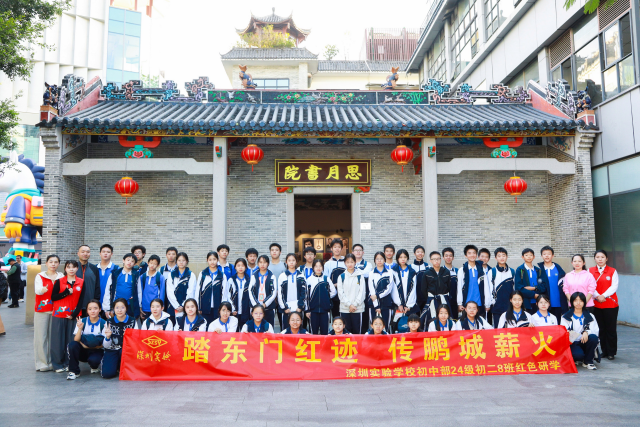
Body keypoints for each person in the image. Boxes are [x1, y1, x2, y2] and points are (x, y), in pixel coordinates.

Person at [50, 260, 85, 373]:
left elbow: (81, 300)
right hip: (59, 314)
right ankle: (57, 364)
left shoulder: (81, 282)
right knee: (57, 340)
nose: (71, 269)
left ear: (77, 269)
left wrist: (74, 314)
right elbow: (53, 297)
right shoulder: (59, 281)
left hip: (74, 315)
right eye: (68, 267)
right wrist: (65, 292)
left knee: (72, 341)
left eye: (73, 267)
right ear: (65, 269)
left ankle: (69, 363)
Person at [33, 254, 63, 371]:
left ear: (58, 264)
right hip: (42, 310)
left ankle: (51, 362)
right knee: (41, 337)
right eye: (51, 262)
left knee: (53, 338)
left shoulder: (61, 276)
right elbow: (37, 290)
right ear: (46, 263)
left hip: (57, 311)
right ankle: (42, 363)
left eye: (55, 262)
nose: (53, 264)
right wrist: (42, 289)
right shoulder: (40, 276)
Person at [590, 249, 619, 360]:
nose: (600, 259)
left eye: (602, 257)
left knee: (610, 329)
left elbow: (614, 286)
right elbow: (590, 285)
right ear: (594, 259)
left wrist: (603, 296)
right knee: (601, 329)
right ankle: (604, 351)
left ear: (606, 258)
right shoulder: (590, 271)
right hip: (596, 304)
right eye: (598, 257)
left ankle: (611, 352)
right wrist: (597, 296)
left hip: (610, 304)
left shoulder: (612, 271)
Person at [67, 300, 105, 380]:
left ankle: (94, 366)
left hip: (96, 350)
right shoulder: (82, 321)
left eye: (95, 308)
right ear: (87, 311)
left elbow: (105, 344)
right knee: (72, 345)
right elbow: (76, 340)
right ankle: (73, 371)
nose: (92, 311)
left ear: (100, 309)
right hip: (83, 351)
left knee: (94, 360)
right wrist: (80, 329)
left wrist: (88, 346)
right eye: (90, 309)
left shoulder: (104, 323)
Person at [561, 292, 600, 370]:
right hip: (573, 342)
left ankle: (588, 361)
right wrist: (576, 335)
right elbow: (564, 332)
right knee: (578, 355)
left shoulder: (590, 316)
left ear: (584, 302)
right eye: (575, 300)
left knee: (593, 338)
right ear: (572, 302)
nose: (578, 303)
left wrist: (586, 332)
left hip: (585, 341)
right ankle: (578, 357)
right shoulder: (565, 317)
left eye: (581, 301)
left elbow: (596, 331)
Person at [101, 298, 136, 379]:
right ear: (113, 309)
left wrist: (128, 337)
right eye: (117, 307)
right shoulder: (109, 322)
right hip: (112, 349)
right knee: (107, 374)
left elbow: (136, 342)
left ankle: (121, 365)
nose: (119, 310)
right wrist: (108, 337)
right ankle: (115, 365)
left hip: (127, 350)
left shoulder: (133, 321)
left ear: (126, 308)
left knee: (122, 352)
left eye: (122, 307)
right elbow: (105, 345)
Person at [102, 254, 140, 320]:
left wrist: (138, 307)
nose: (129, 262)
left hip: (130, 306)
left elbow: (139, 292)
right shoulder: (115, 274)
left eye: (132, 261)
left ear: (134, 264)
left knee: (129, 323)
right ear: (123, 261)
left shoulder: (136, 275)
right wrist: (107, 308)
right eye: (128, 260)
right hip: (116, 304)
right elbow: (107, 290)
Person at [421, 250, 452, 330]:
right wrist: (430, 298)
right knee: (431, 318)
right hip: (432, 299)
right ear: (430, 261)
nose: (436, 261)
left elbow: (449, 286)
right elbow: (423, 289)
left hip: (444, 299)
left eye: (438, 259)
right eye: (434, 259)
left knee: (446, 317)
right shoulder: (427, 273)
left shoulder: (446, 272)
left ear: (441, 259)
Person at [336, 254, 366, 335]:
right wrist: (349, 305)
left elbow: (362, 292)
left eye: (352, 262)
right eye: (348, 262)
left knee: (357, 332)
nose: (350, 264)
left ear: (355, 262)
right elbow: (340, 293)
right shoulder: (341, 277)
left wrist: (354, 305)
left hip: (357, 309)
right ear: (345, 263)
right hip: (345, 309)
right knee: (345, 333)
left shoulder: (360, 276)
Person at [195, 251, 228, 324]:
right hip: (204, 308)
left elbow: (224, 293)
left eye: (214, 259)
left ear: (217, 260)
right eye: (210, 260)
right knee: (205, 326)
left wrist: (223, 308)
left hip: (217, 308)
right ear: (207, 260)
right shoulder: (203, 274)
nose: (212, 262)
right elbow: (198, 291)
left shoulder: (222, 275)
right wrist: (198, 307)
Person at [486, 247, 515, 329]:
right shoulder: (492, 272)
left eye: (503, 255)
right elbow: (489, 289)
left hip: (509, 305)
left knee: (510, 328)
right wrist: (490, 302)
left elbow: (514, 288)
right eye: (499, 256)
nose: (502, 258)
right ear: (496, 258)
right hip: (497, 305)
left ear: (507, 257)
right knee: (498, 329)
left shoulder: (512, 271)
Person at [306, 259, 336, 335]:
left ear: (323, 267)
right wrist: (307, 310)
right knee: (313, 333)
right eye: (316, 266)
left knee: (325, 332)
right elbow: (306, 296)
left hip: (325, 311)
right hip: (313, 311)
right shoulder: (309, 280)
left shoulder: (326, 278)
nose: (318, 268)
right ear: (313, 267)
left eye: (320, 266)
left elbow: (333, 292)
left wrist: (326, 298)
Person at [514, 248, 549, 315]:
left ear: (534, 257)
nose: (529, 257)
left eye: (531, 255)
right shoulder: (520, 270)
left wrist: (534, 288)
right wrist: (533, 295)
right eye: (526, 255)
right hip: (525, 302)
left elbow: (544, 286)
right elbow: (518, 288)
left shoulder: (538, 270)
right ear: (522, 257)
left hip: (538, 302)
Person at [457, 245, 488, 319]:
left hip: (479, 303)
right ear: (466, 255)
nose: (472, 255)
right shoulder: (462, 270)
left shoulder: (481, 270)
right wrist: (460, 303)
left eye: (474, 253)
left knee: (480, 323)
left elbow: (486, 287)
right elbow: (459, 287)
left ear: (476, 255)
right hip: (467, 303)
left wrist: (487, 303)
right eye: (469, 253)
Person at [538, 246, 568, 322]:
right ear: (541, 256)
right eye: (544, 254)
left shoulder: (559, 269)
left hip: (558, 303)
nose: (546, 256)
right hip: (544, 304)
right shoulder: (539, 270)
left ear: (552, 255)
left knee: (558, 324)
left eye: (549, 254)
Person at [368, 251, 396, 332]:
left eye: (381, 258)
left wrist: (378, 296)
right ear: (374, 260)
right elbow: (372, 290)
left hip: (386, 303)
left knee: (385, 327)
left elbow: (389, 289)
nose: (379, 260)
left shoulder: (389, 272)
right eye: (377, 259)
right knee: (374, 328)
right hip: (373, 304)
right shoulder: (371, 273)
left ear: (384, 260)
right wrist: (376, 306)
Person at [277, 253, 306, 329]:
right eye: (289, 260)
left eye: (293, 260)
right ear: (286, 262)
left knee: (298, 329)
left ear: (296, 262)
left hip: (298, 308)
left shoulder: (301, 275)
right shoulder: (282, 276)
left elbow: (304, 292)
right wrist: (284, 307)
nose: (291, 262)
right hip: (287, 308)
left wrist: (300, 306)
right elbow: (280, 293)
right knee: (286, 329)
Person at [166, 252, 196, 323]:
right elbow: (169, 292)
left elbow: (191, 292)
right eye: (179, 260)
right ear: (176, 261)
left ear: (187, 261)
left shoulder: (191, 275)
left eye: (183, 260)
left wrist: (183, 306)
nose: (181, 262)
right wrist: (176, 306)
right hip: (172, 307)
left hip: (186, 308)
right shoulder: (171, 274)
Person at [248, 255, 277, 326]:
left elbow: (273, 292)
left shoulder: (272, 276)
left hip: (268, 308)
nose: (262, 264)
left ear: (268, 264)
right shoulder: (254, 276)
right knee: (255, 328)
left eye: (264, 262)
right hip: (255, 306)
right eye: (260, 262)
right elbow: (250, 290)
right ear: (258, 263)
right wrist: (256, 305)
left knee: (268, 327)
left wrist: (265, 304)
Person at [137, 255, 165, 321]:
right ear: (148, 263)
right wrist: (140, 307)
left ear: (158, 265)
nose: (152, 265)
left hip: (156, 308)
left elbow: (162, 293)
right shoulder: (142, 277)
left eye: (155, 264)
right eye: (151, 263)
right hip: (144, 307)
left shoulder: (160, 277)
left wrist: (161, 306)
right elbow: (139, 292)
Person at [392, 249, 418, 318]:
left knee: (410, 323)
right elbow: (394, 289)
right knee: (397, 323)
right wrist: (399, 304)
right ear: (397, 258)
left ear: (407, 258)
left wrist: (408, 305)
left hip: (409, 305)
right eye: (400, 257)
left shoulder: (412, 272)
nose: (403, 259)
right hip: (397, 305)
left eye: (405, 257)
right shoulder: (393, 271)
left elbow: (413, 289)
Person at [324, 238, 346, 319]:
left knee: (345, 318)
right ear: (331, 249)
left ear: (342, 248)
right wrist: (334, 286)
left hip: (346, 294)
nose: (337, 249)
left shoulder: (346, 262)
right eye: (335, 247)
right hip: (334, 295)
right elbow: (326, 280)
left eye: (339, 247)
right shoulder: (328, 264)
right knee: (336, 318)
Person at [76, 245, 101, 317]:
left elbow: (97, 286)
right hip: (75, 304)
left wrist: (95, 302)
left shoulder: (94, 268)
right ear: (78, 253)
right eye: (83, 252)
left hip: (89, 306)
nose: (85, 254)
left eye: (87, 252)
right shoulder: (72, 267)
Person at [353, 244, 373, 333]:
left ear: (363, 252)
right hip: (353, 293)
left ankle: (364, 335)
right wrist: (360, 272)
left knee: (365, 316)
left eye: (360, 250)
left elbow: (367, 274)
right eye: (356, 250)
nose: (358, 252)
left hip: (365, 293)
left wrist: (354, 272)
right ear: (353, 252)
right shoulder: (349, 263)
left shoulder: (368, 264)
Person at [229, 258, 251, 328]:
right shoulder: (231, 280)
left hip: (246, 310)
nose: (240, 267)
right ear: (235, 267)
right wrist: (232, 309)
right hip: (235, 311)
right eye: (238, 265)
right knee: (234, 330)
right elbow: (228, 296)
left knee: (245, 330)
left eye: (242, 265)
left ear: (246, 267)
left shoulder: (249, 280)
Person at [96, 244, 116, 309]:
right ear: (100, 253)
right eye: (103, 251)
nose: (105, 253)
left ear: (111, 254)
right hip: (95, 303)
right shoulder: (94, 268)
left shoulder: (116, 269)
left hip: (110, 304)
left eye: (108, 252)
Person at [443, 247, 459, 320]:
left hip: (455, 301)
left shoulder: (457, 271)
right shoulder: (441, 271)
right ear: (443, 258)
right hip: (444, 300)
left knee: (455, 319)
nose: (448, 257)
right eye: (446, 255)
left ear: (453, 258)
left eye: (450, 255)